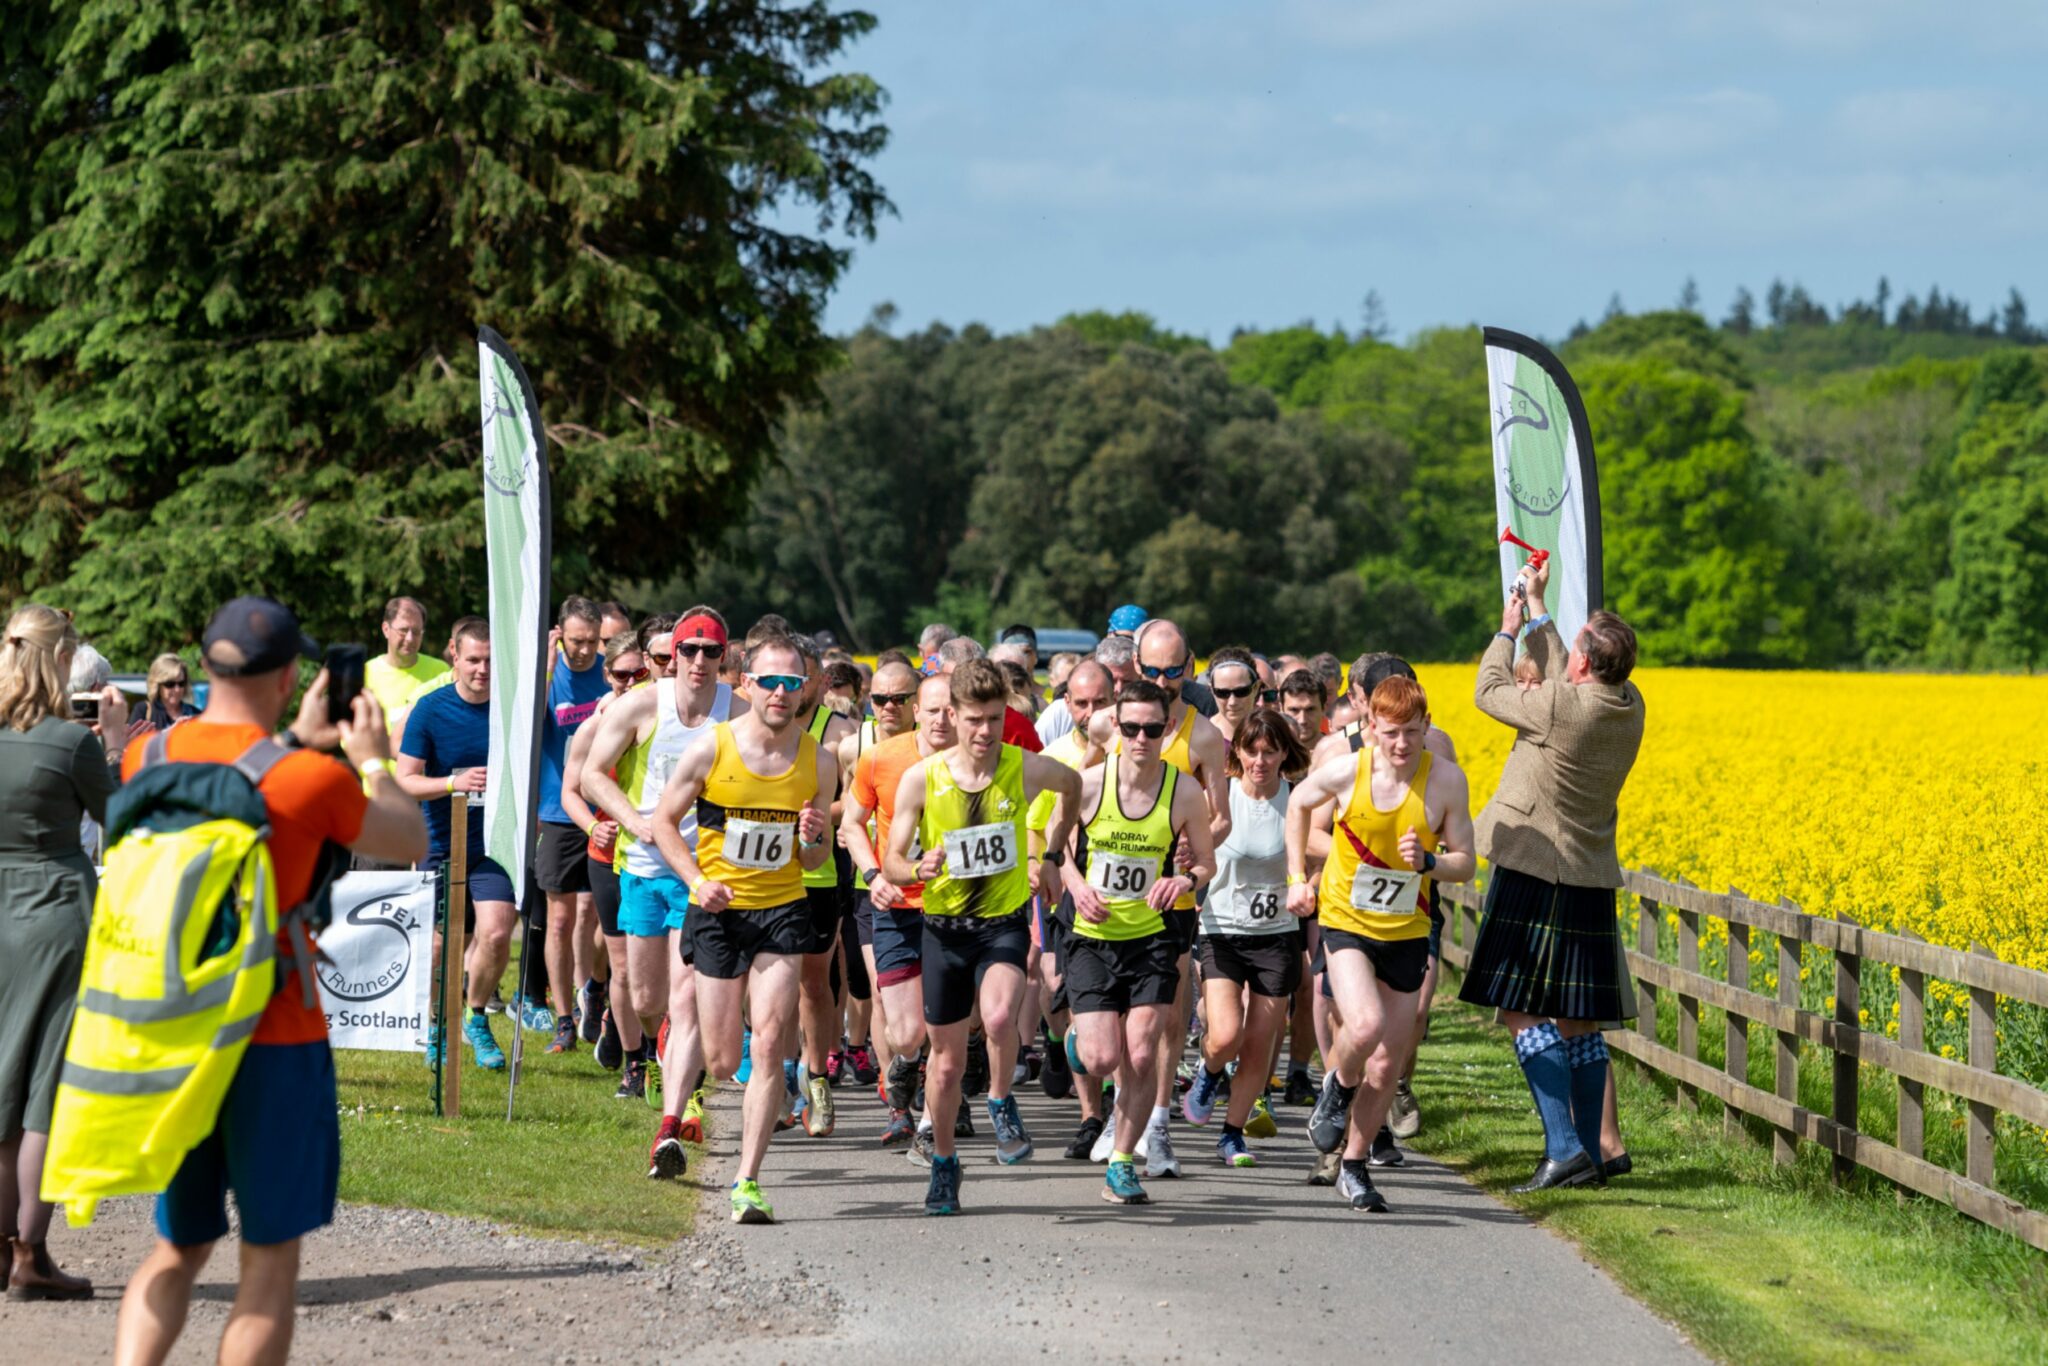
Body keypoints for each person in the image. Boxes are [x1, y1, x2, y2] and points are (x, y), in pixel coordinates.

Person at [113, 596, 425, 1365]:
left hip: (172, 1031)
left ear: (208, 662)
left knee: (176, 1248)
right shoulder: (308, 783)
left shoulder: (145, 758)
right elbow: (408, 835)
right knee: (268, 1260)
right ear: (291, 677)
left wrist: (291, 739)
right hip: (274, 1033)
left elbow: (231, 773)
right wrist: (373, 758)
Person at [1458, 562, 1645, 1191]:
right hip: (1589, 873)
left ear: (1586, 665)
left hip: (1539, 869)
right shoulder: (1628, 704)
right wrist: (1541, 609)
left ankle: (1564, 1146)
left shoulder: (1563, 706)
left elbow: (1487, 692)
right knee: (1579, 1019)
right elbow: (1573, 672)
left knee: (1517, 1006)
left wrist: (1509, 630)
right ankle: (1590, 1153)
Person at [881, 660, 1083, 1213]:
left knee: (997, 1017)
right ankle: (944, 1163)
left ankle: (998, 1098)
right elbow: (892, 860)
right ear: (952, 715)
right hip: (943, 930)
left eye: (995, 719)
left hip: (1002, 923)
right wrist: (916, 869)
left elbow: (1073, 786)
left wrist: (1050, 855)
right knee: (944, 1064)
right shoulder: (924, 777)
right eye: (974, 719)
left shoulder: (1023, 766)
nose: (985, 731)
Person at [650, 633, 838, 1225]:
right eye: (770, 681)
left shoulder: (820, 761)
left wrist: (811, 837)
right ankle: (682, 1101)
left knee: (770, 1041)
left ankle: (747, 1182)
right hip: (719, 911)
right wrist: (694, 881)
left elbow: (813, 859)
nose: (782, 693)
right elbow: (660, 823)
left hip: (783, 910)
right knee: (724, 1056)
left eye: (793, 682)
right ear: (747, 684)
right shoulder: (712, 749)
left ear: (805, 689)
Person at [1285, 674, 1477, 1213]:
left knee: (1389, 1063)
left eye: (1412, 733)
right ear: (1369, 728)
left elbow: (1466, 862)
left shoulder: (1446, 782)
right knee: (1364, 1025)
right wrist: (1297, 878)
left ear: (1427, 728)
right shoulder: (1347, 771)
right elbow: (1297, 806)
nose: (1401, 744)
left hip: (1408, 929)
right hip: (1347, 921)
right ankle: (1336, 1089)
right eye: (1390, 732)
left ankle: (1354, 1164)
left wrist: (1432, 862)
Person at [581, 609, 739, 1173]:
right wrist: (633, 820)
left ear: (726, 658)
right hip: (644, 867)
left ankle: (674, 1115)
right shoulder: (641, 704)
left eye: (711, 651)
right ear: (672, 655)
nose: (699, 661)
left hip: (705, 876)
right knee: (647, 1000)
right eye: (689, 650)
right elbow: (592, 774)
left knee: (685, 997)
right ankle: (662, 1050)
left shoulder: (737, 712)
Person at [0, 605, 125, 1299]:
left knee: (0, 1085)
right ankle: (30, 1254)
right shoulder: (66, 744)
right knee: (44, 1090)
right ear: (61, 660)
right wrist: (110, 743)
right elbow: (126, 821)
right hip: (56, 918)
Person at [1083, 619, 1230, 1177]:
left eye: (1174, 670)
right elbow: (1081, 799)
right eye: (1153, 670)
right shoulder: (1107, 726)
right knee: (1112, 1019)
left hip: (1171, 895)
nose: (1164, 679)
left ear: (1189, 669)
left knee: (1163, 1017)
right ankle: (1125, 1114)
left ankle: (1159, 1122)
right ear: (1134, 667)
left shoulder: (1206, 735)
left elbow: (1221, 818)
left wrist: (1190, 853)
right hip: (1106, 896)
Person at [1061, 679, 1215, 1207]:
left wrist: (1184, 881)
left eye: (1153, 728)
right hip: (1092, 937)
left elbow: (1206, 863)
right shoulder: (1086, 785)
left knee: (1143, 1052)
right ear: (1116, 728)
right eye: (1131, 728)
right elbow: (1052, 847)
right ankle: (1078, 1043)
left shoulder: (1184, 791)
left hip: (1152, 935)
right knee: (1104, 1059)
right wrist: (1077, 886)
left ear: (1168, 728)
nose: (1142, 738)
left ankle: (1124, 1162)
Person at [1182, 708, 1310, 1167]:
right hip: (1223, 931)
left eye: (1270, 751)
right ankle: (1209, 1069)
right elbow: (1190, 849)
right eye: (1251, 750)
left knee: (1260, 1042)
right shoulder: (1220, 798)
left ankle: (1232, 1134)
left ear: (1283, 754)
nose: (1260, 760)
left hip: (1276, 936)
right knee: (1226, 1035)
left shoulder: (1298, 801)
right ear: (1236, 751)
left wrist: (1308, 884)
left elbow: (1316, 856)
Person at [396, 617, 517, 1070]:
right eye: (473, 660)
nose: (482, 669)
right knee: (440, 947)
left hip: (495, 843)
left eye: (489, 660)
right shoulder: (430, 709)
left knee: (497, 932)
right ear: (453, 654)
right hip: (441, 840)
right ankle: (435, 1026)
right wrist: (453, 783)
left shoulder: (512, 709)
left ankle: (476, 1015)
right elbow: (404, 780)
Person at [842, 670, 953, 1148]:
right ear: (916, 711)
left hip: (959, 909)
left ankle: (930, 1126)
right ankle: (905, 1065)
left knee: (946, 1024)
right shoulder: (882, 759)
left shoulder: (982, 761)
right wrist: (872, 876)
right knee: (906, 1031)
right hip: (897, 906)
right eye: (934, 709)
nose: (944, 719)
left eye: (953, 709)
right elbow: (851, 823)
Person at [1022, 659, 1114, 1158]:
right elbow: (1035, 826)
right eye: (1081, 703)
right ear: (1066, 704)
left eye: (1101, 701)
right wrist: (1042, 865)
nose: (1091, 711)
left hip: (1127, 906)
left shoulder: (1138, 748)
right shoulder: (1054, 756)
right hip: (1065, 899)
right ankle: (1084, 1104)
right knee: (1061, 995)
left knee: (1108, 1013)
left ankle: (1105, 1113)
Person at [556, 629, 647, 1065]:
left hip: (658, 859)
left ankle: (615, 1012)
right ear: (607, 675)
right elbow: (569, 792)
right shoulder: (593, 727)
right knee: (625, 966)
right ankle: (635, 1062)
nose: (631, 683)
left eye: (640, 673)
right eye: (622, 675)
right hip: (608, 857)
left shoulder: (664, 723)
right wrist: (593, 827)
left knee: (657, 969)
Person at [534, 597, 610, 1051]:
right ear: (559, 634)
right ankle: (565, 1016)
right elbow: (526, 716)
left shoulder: (607, 672)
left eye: (591, 642)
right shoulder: (550, 675)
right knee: (560, 920)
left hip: (603, 808)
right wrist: (545, 666)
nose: (583, 651)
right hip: (557, 809)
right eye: (575, 641)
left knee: (598, 916)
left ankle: (594, 992)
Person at [792, 633, 856, 1137]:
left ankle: (817, 1079)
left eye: (804, 677)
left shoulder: (839, 732)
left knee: (814, 981)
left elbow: (854, 804)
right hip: (760, 872)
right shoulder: (744, 729)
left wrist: (815, 812)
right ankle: (770, 1072)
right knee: (761, 981)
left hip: (818, 868)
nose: (794, 687)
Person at [365, 596, 448, 738]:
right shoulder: (366, 673)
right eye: (403, 630)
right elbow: (348, 734)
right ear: (386, 629)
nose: (409, 638)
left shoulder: (441, 671)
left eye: (416, 632)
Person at [126, 652, 199, 741]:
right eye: (170, 684)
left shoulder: (196, 714)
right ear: (157, 684)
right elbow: (131, 744)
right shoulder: (143, 710)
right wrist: (171, 731)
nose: (177, 689)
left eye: (181, 683)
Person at [1203, 646, 1261, 744]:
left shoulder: (1275, 732)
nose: (1232, 702)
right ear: (1211, 690)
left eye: (1241, 692)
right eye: (1222, 693)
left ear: (1256, 688)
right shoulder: (1199, 735)